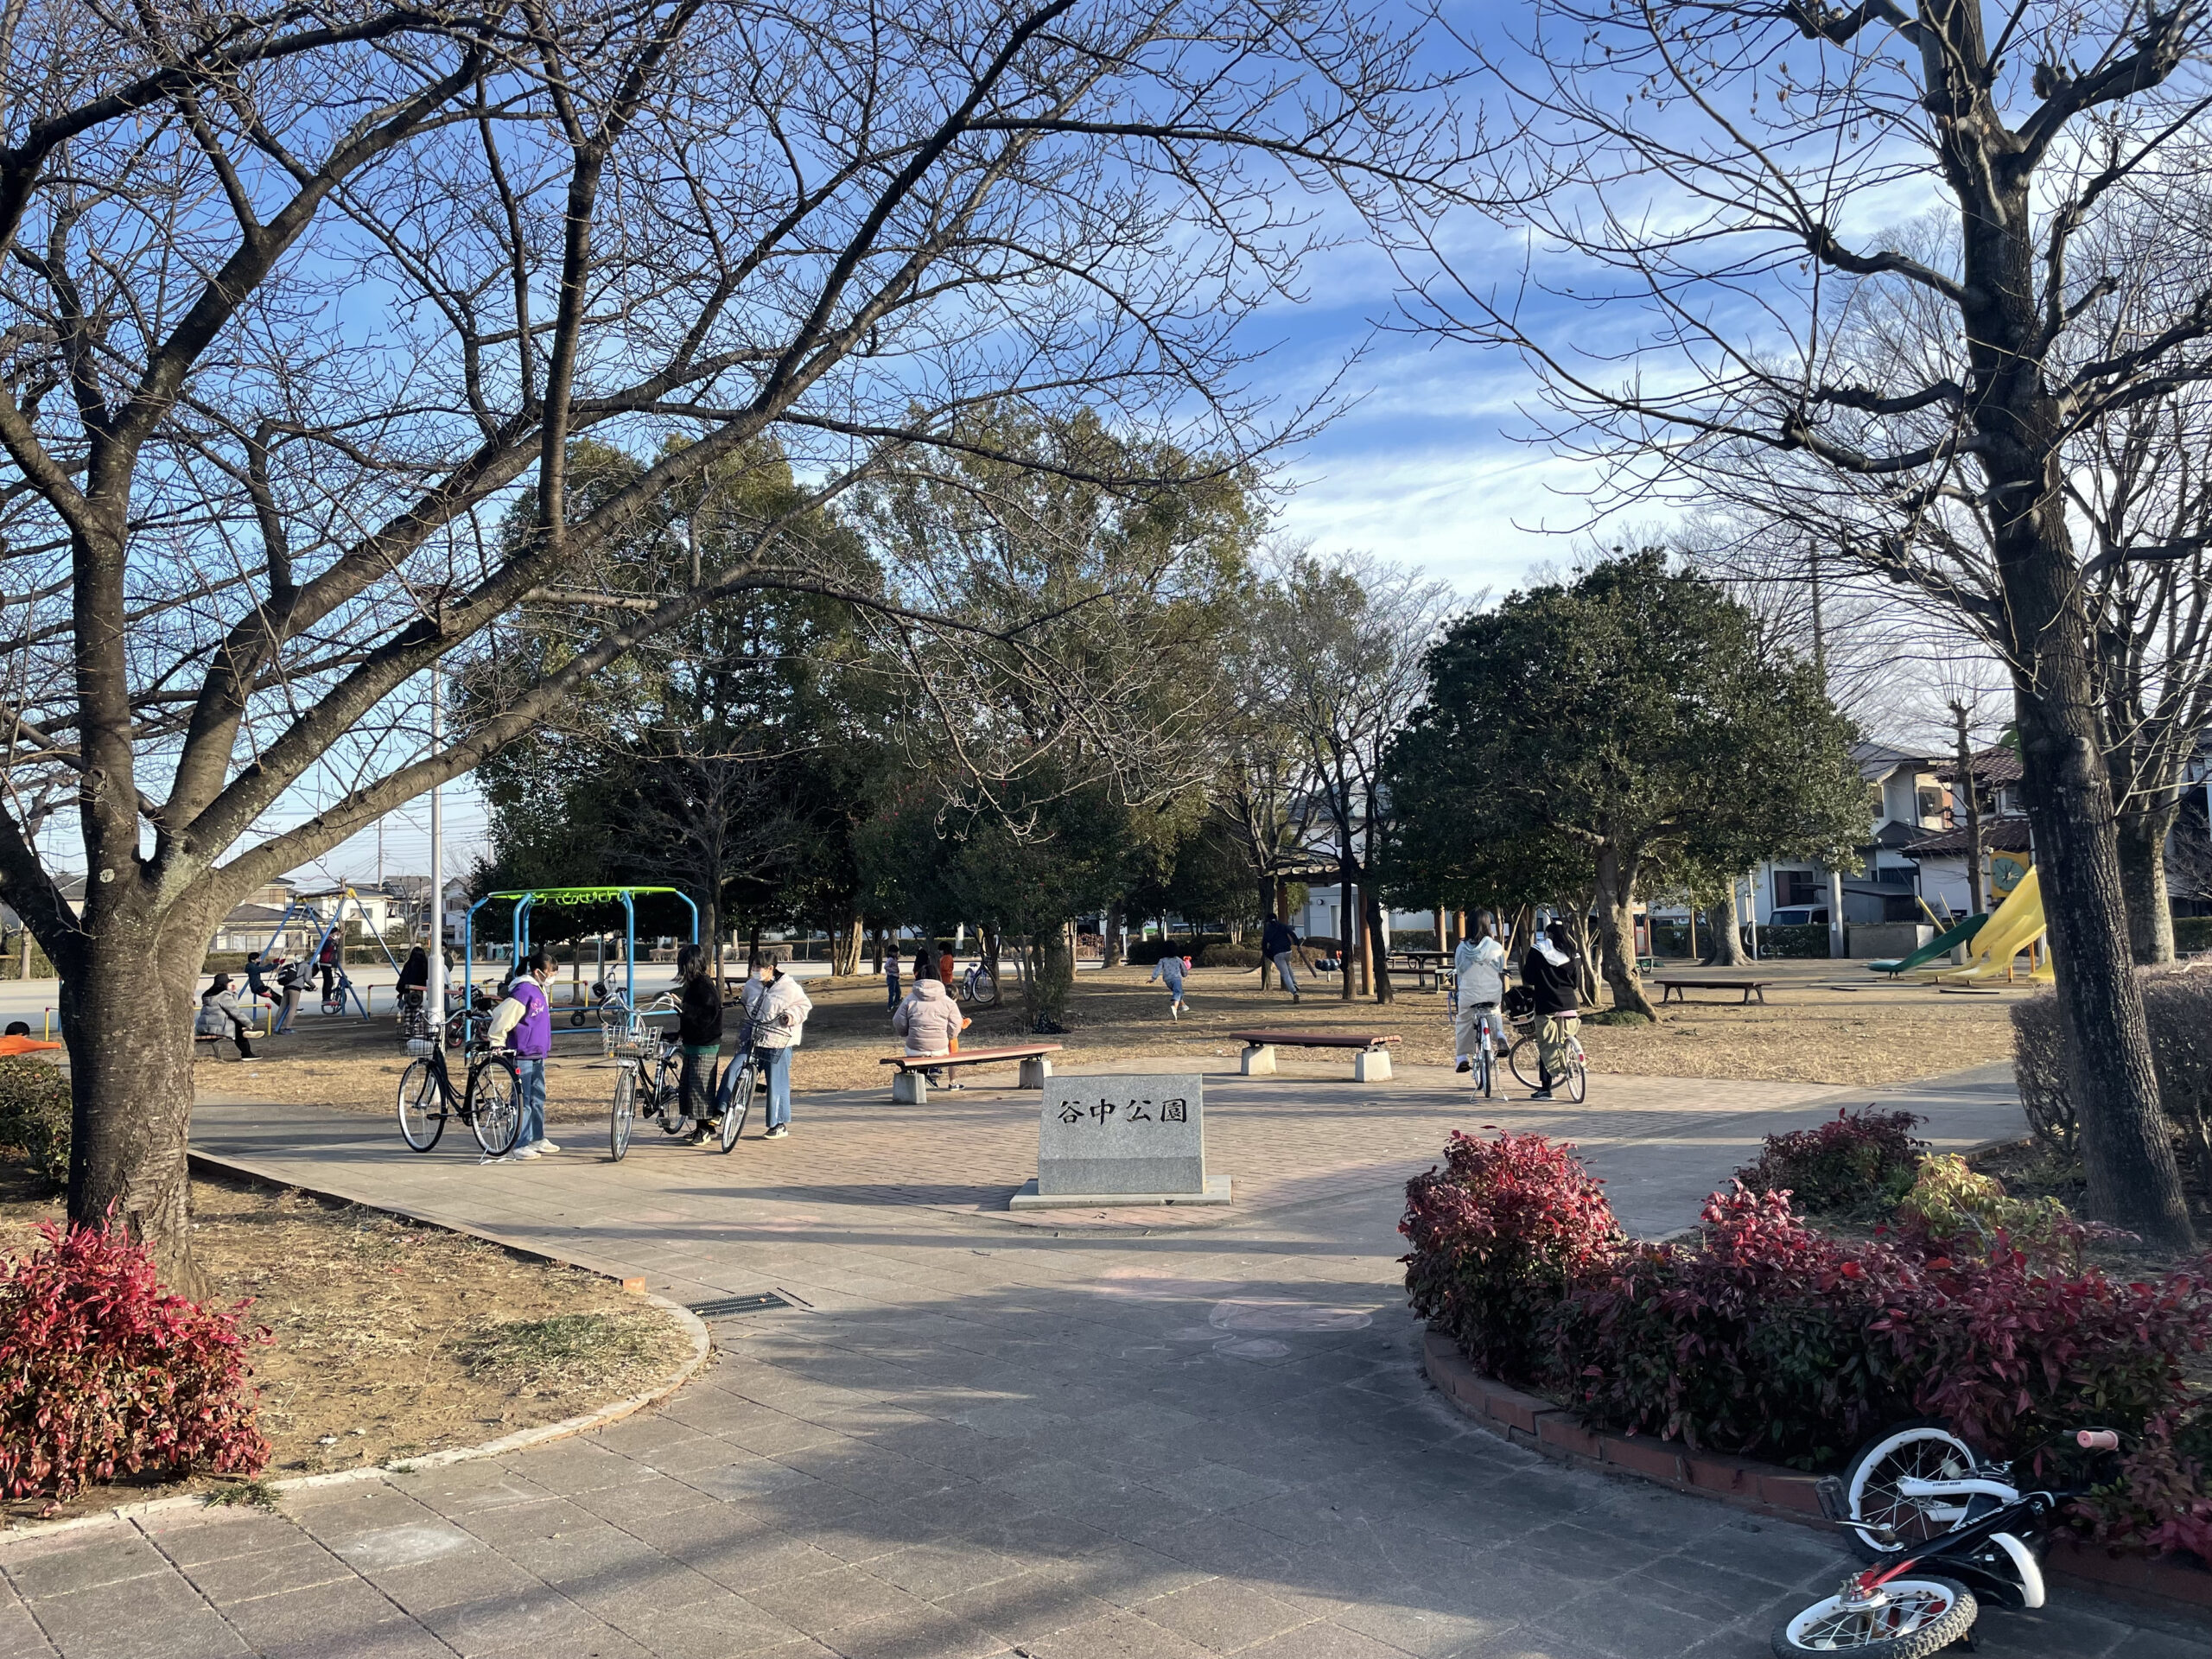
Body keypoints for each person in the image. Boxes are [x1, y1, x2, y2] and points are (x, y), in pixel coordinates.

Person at [485, 948, 558, 1159]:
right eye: (550, 972)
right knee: (522, 1101)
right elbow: (503, 1016)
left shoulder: (539, 989)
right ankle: (518, 1142)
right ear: (537, 972)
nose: (552, 977)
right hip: (522, 1053)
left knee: (537, 1098)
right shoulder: (524, 991)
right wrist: (497, 1040)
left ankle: (537, 1137)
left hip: (537, 1053)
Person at [741, 956, 811, 1138]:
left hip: (778, 1041)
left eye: (759, 966)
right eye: (754, 965)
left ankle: (778, 1123)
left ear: (770, 968)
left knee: (776, 1082)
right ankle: (722, 1112)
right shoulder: (751, 985)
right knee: (735, 1070)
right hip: (754, 1039)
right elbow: (745, 1002)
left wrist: (789, 1016)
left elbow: (804, 1006)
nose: (755, 969)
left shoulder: (789, 986)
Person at [1519, 918, 1581, 1100]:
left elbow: (1529, 977)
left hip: (1547, 1006)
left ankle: (1546, 1089)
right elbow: (1576, 983)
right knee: (1568, 1039)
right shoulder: (1573, 954)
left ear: (1549, 935)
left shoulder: (1538, 950)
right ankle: (1574, 1066)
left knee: (1546, 1046)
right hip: (1570, 1005)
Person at [675, 944, 724, 1145]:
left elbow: (705, 1016)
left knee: (700, 1088)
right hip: (695, 1043)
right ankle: (701, 1128)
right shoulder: (696, 985)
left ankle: (704, 1129)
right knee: (691, 1087)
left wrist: (682, 1008)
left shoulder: (704, 987)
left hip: (705, 1044)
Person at [1452, 912, 1510, 1075]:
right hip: (1492, 992)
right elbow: (1499, 967)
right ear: (1487, 925)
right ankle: (1499, 1035)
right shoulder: (1496, 947)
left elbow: (1460, 969)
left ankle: (1462, 1057)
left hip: (1469, 994)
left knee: (1463, 1020)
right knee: (1495, 1010)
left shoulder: (1461, 948)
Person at [892, 971, 968, 1090]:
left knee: (917, 1051)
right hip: (940, 1049)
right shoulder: (948, 1002)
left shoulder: (909, 1000)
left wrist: (905, 1033)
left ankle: (920, 1079)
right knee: (934, 1050)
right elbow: (956, 1024)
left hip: (914, 1050)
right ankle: (930, 1074)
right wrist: (949, 1036)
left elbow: (897, 1021)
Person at [196, 974, 256, 1058]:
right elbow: (235, 1011)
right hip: (217, 1027)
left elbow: (232, 1006)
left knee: (237, 1025)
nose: (230, 985)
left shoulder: (208, 995)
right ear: (225, 984)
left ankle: (246, 1038)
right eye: (229, 983)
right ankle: (247, 1054)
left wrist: (233, 993)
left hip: (205, 1027)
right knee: (238, 1028)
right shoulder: (223, 995)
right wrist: (249, 1024)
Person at [1261, 915, 1302, 1002]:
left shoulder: (1268, 931)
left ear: (1268, 922)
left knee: (1285, 974)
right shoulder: (1282, 926)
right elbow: (1292, 934)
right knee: (1288, 965)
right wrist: (1298, 945)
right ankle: (1294, 983)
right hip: (1288, 951)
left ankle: (1294, 992)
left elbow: (1264, 947)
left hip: (1277, 953)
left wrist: (1272, 957)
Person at [1148, 950, 1190, 1018]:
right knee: (1178, 992)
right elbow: (1184, 969)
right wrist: (1184, 974)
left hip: (1167, 980)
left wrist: (1153, 978)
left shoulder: (1162, 960)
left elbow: (1157, 969)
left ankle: (1183, 1005)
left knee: (1178, 992)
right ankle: (1175, 1008)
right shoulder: (1178, 959)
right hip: (1176, 979)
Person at [273, 956, 304, 1033]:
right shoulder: (305, 966)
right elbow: (307, 978)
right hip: (295, 989)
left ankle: (277, 1027)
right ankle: (287, 1028)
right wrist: (312, 986)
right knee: (293, 1008)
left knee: (281, 1008)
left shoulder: (290, 966)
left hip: (286, 987)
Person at [397, 944, 429, 1013]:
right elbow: (427, 978)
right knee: (418, 1008)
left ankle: (408, 1022)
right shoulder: (425, 965)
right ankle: (418, 1022)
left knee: (408, 1009)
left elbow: (403, 979)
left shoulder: (408, 965)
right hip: (419, 990)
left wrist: (400, 992)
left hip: (408, 991)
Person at [884, 944, 902, 1014]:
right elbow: (886, 967)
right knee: (892, 992)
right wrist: (893, 970)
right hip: (891, 977)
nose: (897, 953)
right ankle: (890, 1005)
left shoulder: (894, 959)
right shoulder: (890, 959)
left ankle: (896, 1003)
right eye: (895, 952)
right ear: (891, 952)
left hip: (895, 977)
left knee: (898, 991)